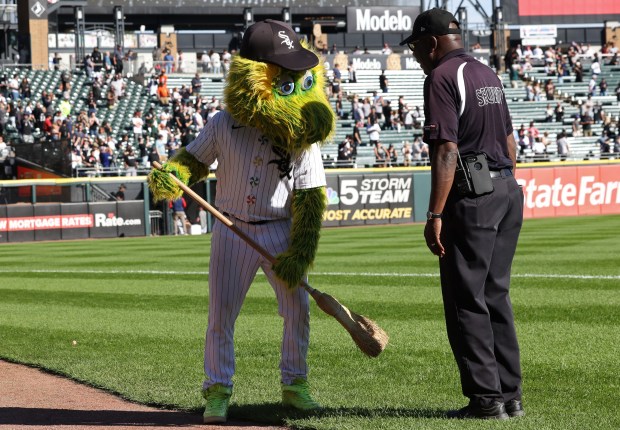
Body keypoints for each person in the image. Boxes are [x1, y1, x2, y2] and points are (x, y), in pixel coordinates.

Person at [147, 19, 333, 424]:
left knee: (297, 310)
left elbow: (309, 196)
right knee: (222, 314)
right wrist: (174, 176)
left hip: (281, 229)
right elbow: (194, 161)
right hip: (231, 228)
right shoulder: (222, 122)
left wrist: (300, 252)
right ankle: (217, 388)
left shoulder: (300, 131)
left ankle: (295, 384)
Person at [401, 8, 523, 420]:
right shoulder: (487, 73)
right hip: (506, 188)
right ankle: (511, 396)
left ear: (432, 43)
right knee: (496, 295)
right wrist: (501, 187)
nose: (416, 55)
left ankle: (486, 401)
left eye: (416, 47)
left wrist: (435, 213)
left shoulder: (439, 77)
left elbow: (447, 149)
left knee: (466, 298)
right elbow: (510, 145)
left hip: (473, 194)